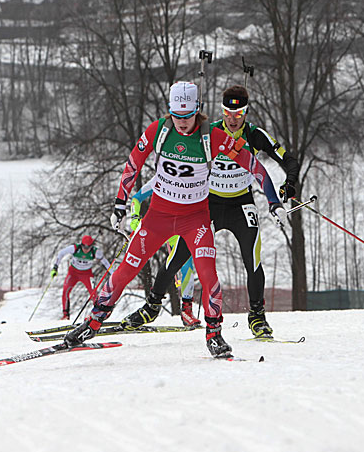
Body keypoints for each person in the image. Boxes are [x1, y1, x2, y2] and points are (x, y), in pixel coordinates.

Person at [64, 81, 286, 358]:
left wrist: (274, 202)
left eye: (187, 116)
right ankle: (93, 323)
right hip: (157, 218)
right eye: (176, 116)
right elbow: (133, 163)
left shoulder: (213, 137)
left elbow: (257, 168)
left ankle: (214, 334)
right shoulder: (159, 130)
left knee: (207, 274)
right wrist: (121, 203)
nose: (181, 123)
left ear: (198, 110)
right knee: (125, 270)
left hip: (195, 220)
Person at [122, 84, 300, 337]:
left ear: (246, 113)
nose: (233, 119)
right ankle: (152, 306)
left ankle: (257, 317)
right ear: (222, 111)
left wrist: (285, 189)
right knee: (179, 256)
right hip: (209, 204)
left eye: (238, 115)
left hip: (242, 203)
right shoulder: (210, 133)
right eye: (228, 113)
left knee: (253, 258)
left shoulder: (254, 134)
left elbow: (287, 160)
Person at [129, 179, 201, 326]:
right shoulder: (160, 177)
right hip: (158, 226)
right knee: (135, 260)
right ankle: (104, 307)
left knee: (187, 265)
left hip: (180, 229)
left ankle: (186, 310)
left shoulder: (192, 173)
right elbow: (136, 199)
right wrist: (135, 217)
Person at [51, 235, 110, 320]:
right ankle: (65, 315)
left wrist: (112, 273)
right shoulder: (75, 248)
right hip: (73, 273)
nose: (86, 249)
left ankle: (99, 314)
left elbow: (105, 263)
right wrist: (55, 267)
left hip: (86, 274)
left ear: (91, 246)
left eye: (88, 247)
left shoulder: (95, 252)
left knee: (94, 293)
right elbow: (61, 253)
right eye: (84, 247)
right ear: (81, 245)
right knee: (65, 290)